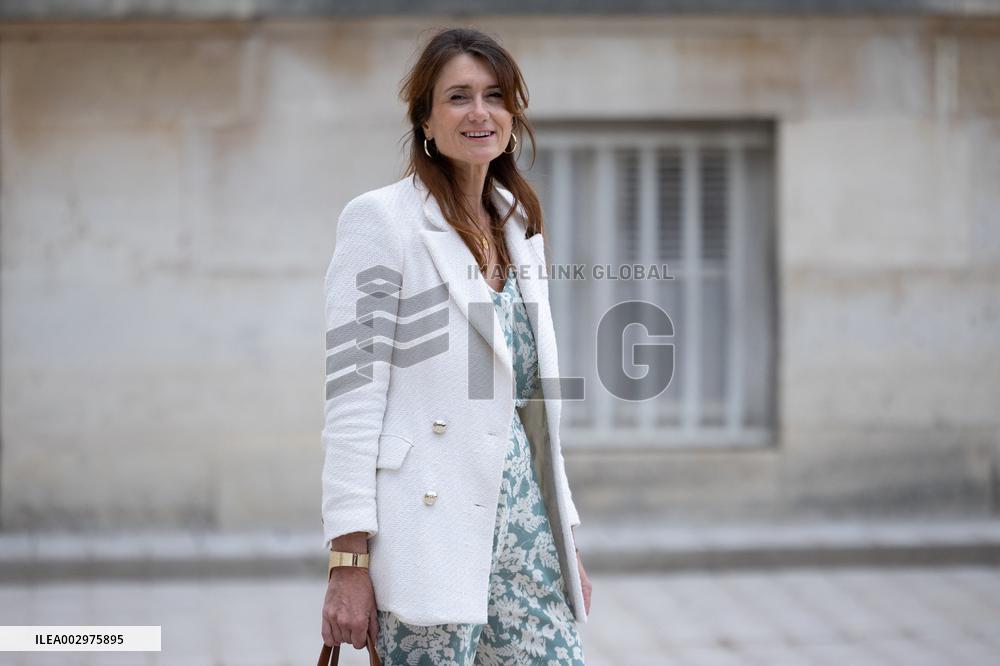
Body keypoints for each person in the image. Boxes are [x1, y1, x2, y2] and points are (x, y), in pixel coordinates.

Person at [320, 27, 591, 665]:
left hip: (522, 528)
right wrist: (347, 561)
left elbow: (532, 412)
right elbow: (353, 401)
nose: (480, 113)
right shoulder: (382, 222)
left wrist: (564, 541)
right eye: (458, 97)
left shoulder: (521, 225)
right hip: (428, 530)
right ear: (425, 120)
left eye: (495, 96)